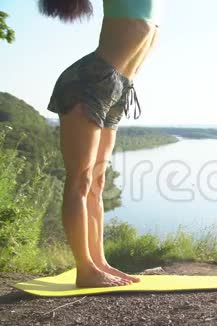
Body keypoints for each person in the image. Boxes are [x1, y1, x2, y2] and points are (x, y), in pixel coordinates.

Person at [40, 0, 160, 287]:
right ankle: (85, 270)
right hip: (88, 83)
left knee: (97, 181)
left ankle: (99, 262)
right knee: (80, 179)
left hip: (118, 88)